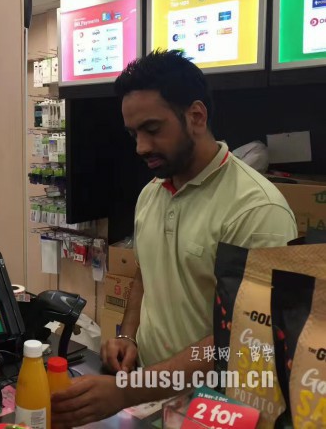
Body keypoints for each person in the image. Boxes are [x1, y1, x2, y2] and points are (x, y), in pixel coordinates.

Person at [51, 49, 298, 426]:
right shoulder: (152, 193)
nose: (141, 147)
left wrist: (127, 390)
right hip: (152, 400)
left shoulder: (257, 210)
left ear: (196, 116)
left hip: (220, 409)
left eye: (152, 129)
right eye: (134, 134)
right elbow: (145, 274)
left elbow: (243, 339)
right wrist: (128, 336)